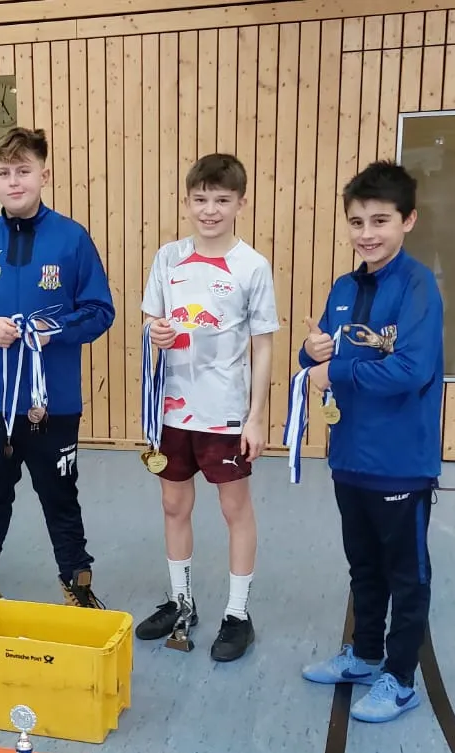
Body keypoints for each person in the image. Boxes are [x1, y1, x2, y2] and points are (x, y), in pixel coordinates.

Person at [0, 126, 116, 626]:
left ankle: (77, 584)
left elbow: (100, 311)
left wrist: (53, 329)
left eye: (23, 171)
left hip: (51, 402)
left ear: (44, 175)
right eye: (4, 172)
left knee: (60, 496)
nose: (14, 181)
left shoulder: (72, 238)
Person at [297, 160, 444, 723]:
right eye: (357, 222)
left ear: (408, 220)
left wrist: (336, 371)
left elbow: (412, 369)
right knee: (363, 566)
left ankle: (400, 678)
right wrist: (311, 352)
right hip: (349, 456)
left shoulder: (417, 286)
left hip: (400, 461)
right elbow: (323, 358)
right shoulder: (344, 287)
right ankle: (364, 654)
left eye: (380, 221)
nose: (367, 233)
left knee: (406, 574)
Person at [133, 153, 279, 662]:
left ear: (241, 203)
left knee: (234, 509)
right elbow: (152, 324)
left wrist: (256, 417)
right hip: (171, 412)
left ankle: (237, 614)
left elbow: (263, 345)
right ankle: (182, 602)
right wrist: (155, 333)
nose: (210, 209)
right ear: (187, 202)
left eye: (221, 200)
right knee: (174, 506)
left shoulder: (252, 266)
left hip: (226, 414)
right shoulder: (167, 258)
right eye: (200, 199)